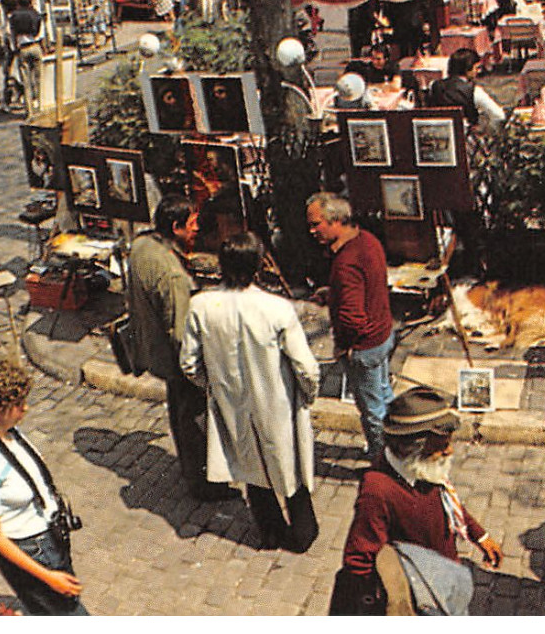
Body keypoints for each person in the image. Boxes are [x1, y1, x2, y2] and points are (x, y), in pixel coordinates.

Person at [181, 233, 321, 552]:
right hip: (278, 403)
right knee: (290, 467)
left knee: (250, 466)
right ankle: (301, 534)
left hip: (232, 402)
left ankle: (269, 534)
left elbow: (189, 364)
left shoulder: (202, 305)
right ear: (259, 266)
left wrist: (215, 388)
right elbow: (306, 366)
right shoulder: (277, 308)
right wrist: (306, 395)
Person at [330, 387, 503, 615]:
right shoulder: (378, 490)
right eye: (441, 446)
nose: (449, 451)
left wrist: (479, 535)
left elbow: (447, 502)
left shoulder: (423, 468)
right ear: (413, 448)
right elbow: (359, 558)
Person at [0, 354, 89, 615]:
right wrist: (49, 577)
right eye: (17, 403)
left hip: (48, 537)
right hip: (32, 551)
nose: (25, 408)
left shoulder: (4, 430)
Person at [124, 196, 230, 501]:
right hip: (175, 359)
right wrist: (199, 374)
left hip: (154, 349)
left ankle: (190, 468)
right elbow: (181, 333)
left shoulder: (142, 246)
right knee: (193, 419)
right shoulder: (172, 275)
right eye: (192, 224)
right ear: (175, 226)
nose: (197, 229)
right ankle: (203, 483)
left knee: (179, 415)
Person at [308, 193, 395, 459]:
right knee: (385, 397)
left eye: (316, 224)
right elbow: (364, 288)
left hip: (364, 346)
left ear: (335, 221)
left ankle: (384, 464)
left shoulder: (346, 262)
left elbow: (352, 317)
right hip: (383, 334)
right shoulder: (367, 240)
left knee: (372, 412)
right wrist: (333, 293)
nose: (312, 232)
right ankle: (400, 450)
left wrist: (344, 347)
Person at [425, 47, 505, 131]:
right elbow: (499, 115)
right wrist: (487, 131)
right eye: (476, 68)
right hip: (465, 138)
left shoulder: (434, 86)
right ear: (468, 69)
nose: (478, 71)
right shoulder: (474, 91)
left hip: (439, 136)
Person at [4, 0, 43, 107]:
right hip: (35, 46)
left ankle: (29, 108)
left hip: (22, 49)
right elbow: (38, 33)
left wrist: (15, 49)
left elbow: (13, 35)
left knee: (26, 81)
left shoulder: (14, 16)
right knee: (38, 79)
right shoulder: (35, 13)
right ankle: (40, 104)